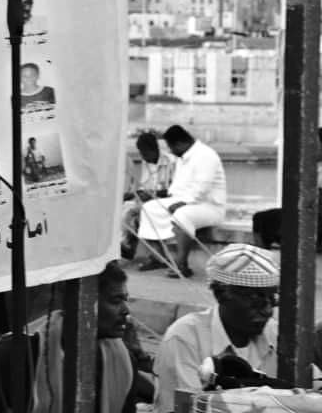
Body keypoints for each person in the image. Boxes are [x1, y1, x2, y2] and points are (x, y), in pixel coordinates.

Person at [0, 260, 146, 413]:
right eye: (115, 301)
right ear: (80, 301)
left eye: (125, 300)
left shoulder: (123, 361)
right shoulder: (18, 354)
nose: (125, 310)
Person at [153, 244, 283, 411]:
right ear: (221, 294)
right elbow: (185, 407)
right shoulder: (184, 338)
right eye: (256, 299)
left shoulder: (275, 333)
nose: (268, 310)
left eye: (272, 299)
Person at [137, 125, 226, 278]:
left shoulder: (206, 155)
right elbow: (177, 188)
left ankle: (181, 265)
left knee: (182, 215)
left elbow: (202, 187)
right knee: (149, 208)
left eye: (171, 147)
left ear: (180, 143)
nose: (171, 151)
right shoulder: (183, 157)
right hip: (185, 201)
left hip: (209, 207)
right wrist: (171, 199)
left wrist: (183, 203)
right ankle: (158, 257)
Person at [121, 132, 175, 260]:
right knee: (125, 207)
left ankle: (128, 246)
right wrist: (133, 194)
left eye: (144, 153)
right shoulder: (146, 162)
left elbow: (175, 190)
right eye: (141, 153)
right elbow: (144, 186)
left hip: (164, 202)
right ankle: (124, 245)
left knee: (133, 213)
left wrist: (152, 194)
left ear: (154, 149)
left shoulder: (171, 162)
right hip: (148, 200)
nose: (143, 156)